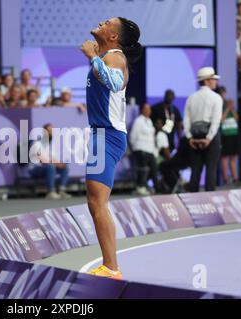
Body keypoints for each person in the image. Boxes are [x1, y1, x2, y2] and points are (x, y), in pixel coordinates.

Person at [80, 17, 142, 279]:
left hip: (108, 135)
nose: (100, 23)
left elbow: (114, 83)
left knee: (98, 201)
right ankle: (110, 266)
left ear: (114, 37)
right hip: (101, 134)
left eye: (106, 23)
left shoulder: (114, 57)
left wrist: (92, 57)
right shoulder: (108, 56)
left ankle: (112, 268)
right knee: (94, 202)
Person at [184, 67, 223, 192]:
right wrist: (209, 138)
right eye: (213, 79)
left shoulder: (191, 97)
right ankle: (210, 200)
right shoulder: (216, 97)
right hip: (210, 137)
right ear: (206, 81)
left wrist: (189, 137)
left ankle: (192, 200)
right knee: (211, 169)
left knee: (195, 170)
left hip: (195, 136)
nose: (215, 82)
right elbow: (216, 121)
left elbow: (187, 120)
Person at [28, 124, 72, 200]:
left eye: (52, 131)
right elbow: (42, 161)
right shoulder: (36, 144)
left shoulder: (49, 145)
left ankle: (62, 190)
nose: (51, 133)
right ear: (44, 132)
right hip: (34, 169)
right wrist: (56, 164)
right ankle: (50, 192)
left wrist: (61, 164)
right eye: (49, 131)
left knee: (65, 167)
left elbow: (52, 158)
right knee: (51, 167)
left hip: (47, 167)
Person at [129, 104, 160, 196]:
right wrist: (136, 148)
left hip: (150, 150)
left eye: (149, 109)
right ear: (142, 110)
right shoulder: (138, 121)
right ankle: (140, 187)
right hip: (141, 149)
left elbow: (152, 137)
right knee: (143, 169)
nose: (149, 111)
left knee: (154, 169)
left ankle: (154, 188)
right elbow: (133, 136)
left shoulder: (149, 121)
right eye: (147, 109)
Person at [218, 86, 240, 185]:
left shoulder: (228, 103)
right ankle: (225, 179)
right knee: (224, 157)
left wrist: (231, 108)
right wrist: (227, 109)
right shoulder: (218, 105)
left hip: (233, 133)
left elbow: (236, 118)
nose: (223, 96)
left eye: (224, 93)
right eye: (221, 94)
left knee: (234, 156)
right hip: (224, 135)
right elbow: (221, 120)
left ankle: (235, 178)